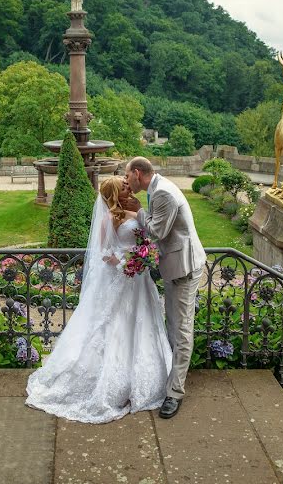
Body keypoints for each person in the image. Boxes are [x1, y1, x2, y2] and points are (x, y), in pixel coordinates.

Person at [25, 176, 172, 423]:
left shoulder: (135, 209)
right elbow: (103, 253)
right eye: (123, 187)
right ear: (115, 193)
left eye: (128, 185)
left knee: (142, 322)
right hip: (121, 279)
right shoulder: (107, 220)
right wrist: (125, 262)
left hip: (140, 280)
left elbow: (146, 238)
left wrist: (144, 255)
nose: (128, 187)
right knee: (114, 326)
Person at [123, 157, 206, 419]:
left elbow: (157, 231)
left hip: (184, 267)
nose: (126, 181)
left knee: (181, 330)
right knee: (172, 326)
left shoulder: (163, 194)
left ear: (138, 173)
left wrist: (137, 211)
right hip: (174, 265)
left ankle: (175, 393)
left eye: (128, 176)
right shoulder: (156, 190)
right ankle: (170, 379)